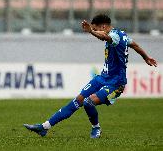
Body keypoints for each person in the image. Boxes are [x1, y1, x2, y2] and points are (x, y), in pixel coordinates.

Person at [24, 14, 157, 138]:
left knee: (89, 102)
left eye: (97, 28)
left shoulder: (114, 36)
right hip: (103, 78)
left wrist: (91, 32)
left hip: (116, 83)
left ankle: (96, 128)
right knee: (79, 99)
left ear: (103, 27)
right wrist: (146, 57)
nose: (96, 31)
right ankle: (44, 127)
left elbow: (105, 37)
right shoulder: (123, 35)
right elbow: (134, 44)